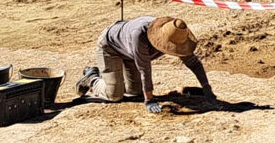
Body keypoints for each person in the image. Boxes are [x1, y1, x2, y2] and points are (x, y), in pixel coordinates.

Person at [77, 16, 217, 114]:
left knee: (135, 93)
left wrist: (206, 88)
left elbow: (193, 62)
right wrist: (149, 100)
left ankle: (112, 78)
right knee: (114, 95)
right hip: (110, 47)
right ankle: (92, 78)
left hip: (129, 53)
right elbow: (144, 69)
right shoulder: (140, 35)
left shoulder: (175, 35)